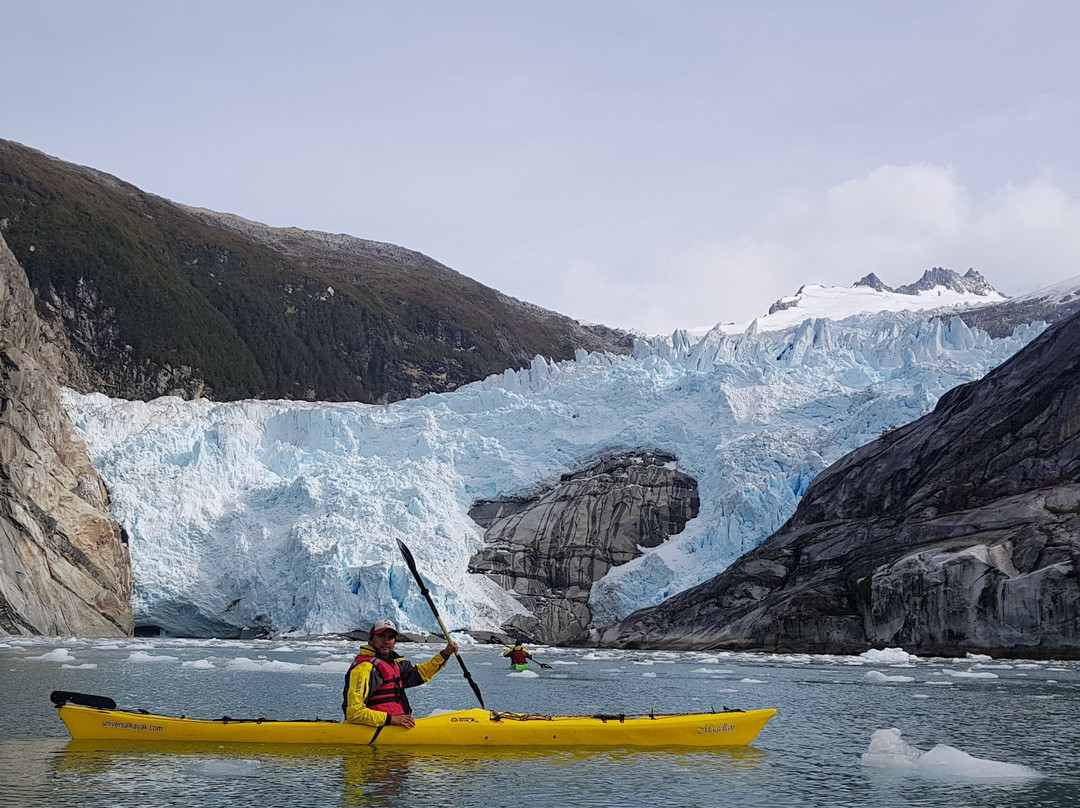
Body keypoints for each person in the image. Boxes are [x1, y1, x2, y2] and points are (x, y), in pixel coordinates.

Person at [342, 618, 459, 728]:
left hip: (393, 727)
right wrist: (392, 719)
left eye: (390, 637)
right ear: (371, 640)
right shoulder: (364, 669)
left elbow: (421, 673)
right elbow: (353, 712)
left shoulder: (395, 664)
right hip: (377, 727)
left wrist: (445, 654)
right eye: (381, 636)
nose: (386, 641)